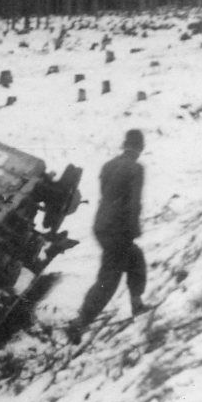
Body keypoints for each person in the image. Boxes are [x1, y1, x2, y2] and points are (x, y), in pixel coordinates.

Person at [65, 130, 150, 346]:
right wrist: (133, 228)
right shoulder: (136, 169)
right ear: (140, 148)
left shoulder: (109, 165)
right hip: (118, 229)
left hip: (102, 225)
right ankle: (80, 323)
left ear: (125, 145)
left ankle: (137, 303)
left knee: (135, 257)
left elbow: (107, 194)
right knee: (110, 278)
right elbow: (133, 202)